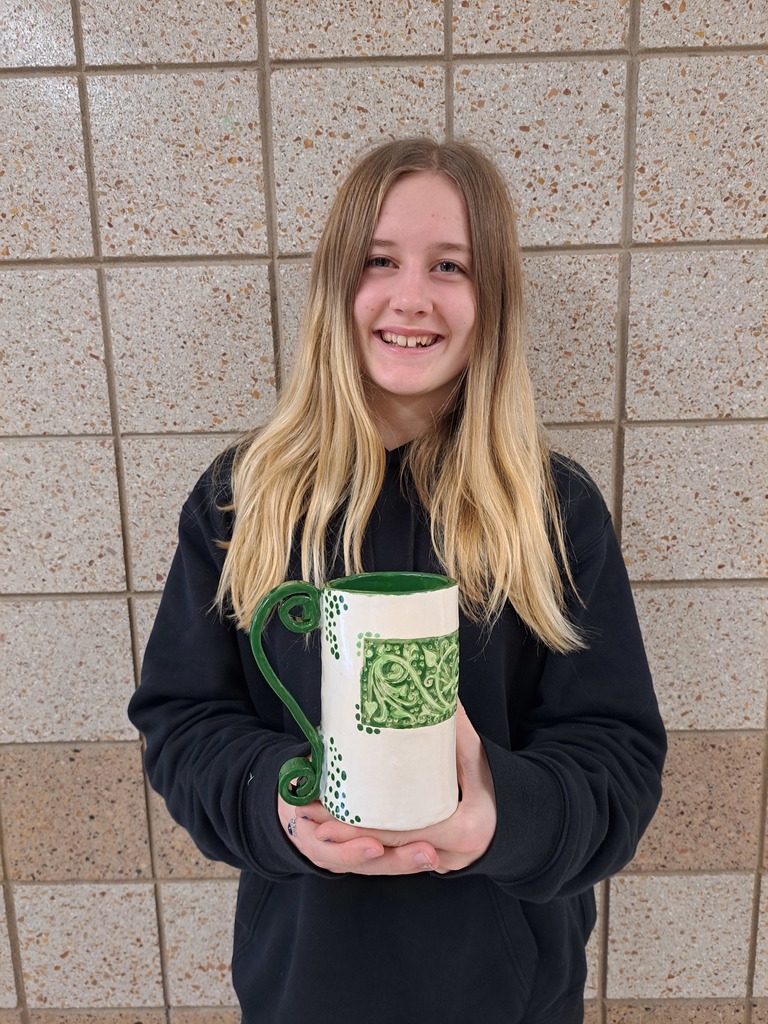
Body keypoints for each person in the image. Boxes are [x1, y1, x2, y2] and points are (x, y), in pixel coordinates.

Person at [128, 137, 666, 1023]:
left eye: (449, 265)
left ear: (493, 300)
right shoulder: (242, 500)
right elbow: (182, 724)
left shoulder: (553, 511)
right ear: (336, 286)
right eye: (379, 261)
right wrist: (281, 801)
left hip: (512, 997)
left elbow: (618, 758)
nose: (411, 297)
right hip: (304, 986)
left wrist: (500, 815)